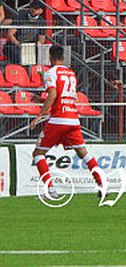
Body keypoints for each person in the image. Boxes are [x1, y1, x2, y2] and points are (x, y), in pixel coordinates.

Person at [31, 45, 107, 201]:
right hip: (73, 119)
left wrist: (40, 115)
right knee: (83, 153)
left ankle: (50, 189)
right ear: (63, 57)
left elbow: (53, 95)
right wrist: (42, 100)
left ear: (50, 57)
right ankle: (103, 183)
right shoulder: (71, 74)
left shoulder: (51, 73)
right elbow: (67, 96)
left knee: (38, 154)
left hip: (58, 120)